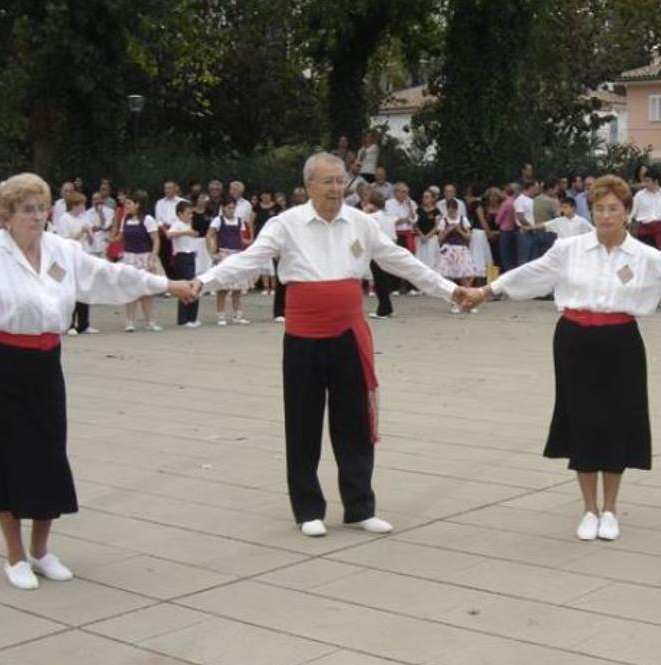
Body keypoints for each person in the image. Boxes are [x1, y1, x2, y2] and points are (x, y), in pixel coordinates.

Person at [0, 172, 195, 590]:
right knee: (4, 455)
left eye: (42, 208)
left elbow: (110, 276)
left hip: (45, 361)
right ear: (6, 215)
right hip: (0, 363)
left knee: (48, 452)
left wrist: (167, 284)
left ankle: (41, 550)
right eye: (27, 210)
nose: (37, 216)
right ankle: (14, 557)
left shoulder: (62, 250)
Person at [189, 153, 470, 537]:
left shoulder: (361, 223)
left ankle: (359, 507)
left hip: (348, 336)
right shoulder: (285, 224)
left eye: (341, 181)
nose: (337, 189)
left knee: (354, 422)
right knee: (303, 422)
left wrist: (451, 291)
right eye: (328, 182)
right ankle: (308, 509)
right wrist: (203, 283)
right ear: (308, 186)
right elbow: (249, 260)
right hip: (303, 337)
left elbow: (401, 261)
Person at [458, 175, 661, 541]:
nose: (606, 216)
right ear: (590, 211)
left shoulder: (648, 257)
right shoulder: (570, 249)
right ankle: (588, 509)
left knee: (617, 421)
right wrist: (486, 290)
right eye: (599, 209)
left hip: (621, 342)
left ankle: (610, 509)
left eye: (614, 209)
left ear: (627, 212)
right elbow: (532, 274)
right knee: (582, 420)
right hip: (574, 340)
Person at [116, 190, 164, 332]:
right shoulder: (125, 219)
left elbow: (155, 239)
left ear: (138, 204)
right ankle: (130, 321)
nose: (127, 206)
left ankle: (150, 321)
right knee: (130, 289)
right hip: (129, 257)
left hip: (144, 256)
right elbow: (121, 236)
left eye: (130, 203)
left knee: (146, 290)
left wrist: (152, 257)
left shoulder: (148, 219)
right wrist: (111, 240)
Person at [207, 197, 254, 326]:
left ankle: (237, 314)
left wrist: (249, 243)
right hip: (224, 254)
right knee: (223, 287)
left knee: (238, 287)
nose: (231, 210)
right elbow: (209, 235)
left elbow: (240, 238)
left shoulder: (239, 221)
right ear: (223, 208)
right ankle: (221, 315)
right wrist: (212, 253)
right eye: (229, 208)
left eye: (233, 208)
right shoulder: (218, 220)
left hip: (237, 254)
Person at [52, 192, 95, 335]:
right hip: (70, 258)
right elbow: (64, 241)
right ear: (74, 206)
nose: (83, 207)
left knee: (85, 289)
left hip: (84, 255)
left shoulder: (85, 217)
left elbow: (91, 241)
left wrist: (89, 234)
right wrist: (80, 232)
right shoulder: (64, 219)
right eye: (81, 204)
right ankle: (70, 324)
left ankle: (84, 324)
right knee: (71, 291)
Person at [166, 201, 203, 327]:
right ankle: (184, 319)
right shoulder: (177, 225)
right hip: (181, 256)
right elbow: (169, 234)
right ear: (180, 214)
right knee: (186, 285)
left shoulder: (188, 224)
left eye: (191, 213)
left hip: (190, 255)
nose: (190, 215)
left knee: (193, 283)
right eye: (188, 213)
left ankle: (192, 317)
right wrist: (185, 233)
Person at [436, 199, 475, 309]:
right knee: (450, 277)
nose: (452, 213)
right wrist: (447, 230)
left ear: (457, 209)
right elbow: (439, 239)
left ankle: (467, 299)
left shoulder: (463, 219)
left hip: (461, 249)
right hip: (449, 250)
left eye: (454, 210)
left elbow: (469, 237)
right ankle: (456, 301)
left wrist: (459, 230)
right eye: (450, 210)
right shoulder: (443, 221)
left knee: (466, 275)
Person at [362, 191, 396, 319]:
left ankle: (384, 309)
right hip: (387, 249)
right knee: (383, 279)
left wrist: (365, 210)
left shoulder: (372, 217)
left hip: (376, 251)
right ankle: (387, 307)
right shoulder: (386, 216)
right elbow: (393, 236)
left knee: (379, 280)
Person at [630, 167, 661, 251]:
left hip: (660, 231)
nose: (645, 184)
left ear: (656, 181)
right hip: (644, 231)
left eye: (648, 181)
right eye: (644, 181)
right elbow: (632, 213)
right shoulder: (639, 195)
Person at [414, 189, 442, 273]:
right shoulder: (418, 210)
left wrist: (427, 236)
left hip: (432, 239)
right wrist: (421, 235)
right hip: (419, 239)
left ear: (432, 199)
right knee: (419, 260)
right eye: (423, 197)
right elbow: (415, 224)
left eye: (427, 197)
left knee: (431, 261)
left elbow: (437, 226)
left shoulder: (437, 211)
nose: (424, 199)